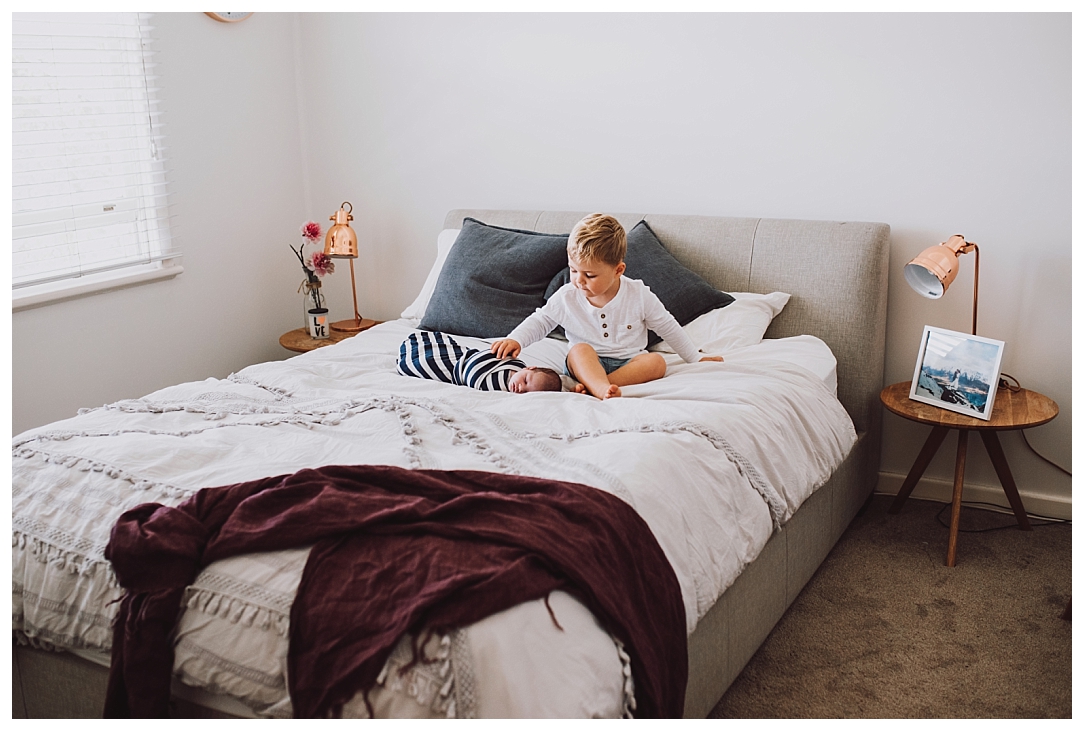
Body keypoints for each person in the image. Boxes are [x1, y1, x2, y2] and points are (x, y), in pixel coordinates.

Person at [491, 213, 723, 399]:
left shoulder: (638, 294)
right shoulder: (567, 296)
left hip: (628, 363)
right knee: (579, 350)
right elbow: (541, 321)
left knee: (656, 362)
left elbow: (666, 326)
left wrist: (695, 358)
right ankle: (599, 386)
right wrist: (516, 339)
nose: (579, 280)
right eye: (573, 270)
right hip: (585, 364)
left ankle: (599, 387)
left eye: (590, 275)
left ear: (618, 270)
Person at [397, 330, 562, 393]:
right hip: (462, 359)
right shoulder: (515, 362)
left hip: (453, 373)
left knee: (422, 364)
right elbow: (489, 354)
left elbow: (474, 380)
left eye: (526, 392)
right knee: (432, 346)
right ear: (529, 368)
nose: (520, 388)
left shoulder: (502, 391)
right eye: (525, 380)